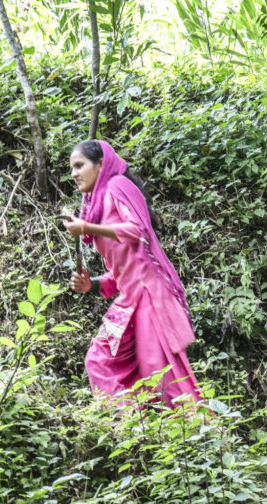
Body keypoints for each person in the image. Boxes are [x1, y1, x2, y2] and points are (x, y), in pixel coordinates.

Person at [64, 140, 201, 407]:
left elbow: (138, 230)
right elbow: (120, 271)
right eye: (72, 168)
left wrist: (87, 227)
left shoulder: (117, 185)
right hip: (129, 299)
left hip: (150, 295)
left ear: (100, 164)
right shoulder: (97, 203)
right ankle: (129, 422)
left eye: (79, 165)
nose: (74, 173)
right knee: (99, 360)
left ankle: (198, 428)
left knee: (163, 375)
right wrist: (92, 284)